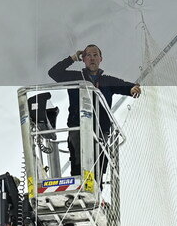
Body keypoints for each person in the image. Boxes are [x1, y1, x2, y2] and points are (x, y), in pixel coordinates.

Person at [47, 45, 141, 180]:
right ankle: (79, 190)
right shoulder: (75, 77)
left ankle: (97, 193)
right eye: (88, 55)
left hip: (101, 130)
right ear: (83, 59)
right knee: (78, 163)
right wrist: (72, 58)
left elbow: (127, 86)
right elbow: (54, 73)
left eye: (95, 55)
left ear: (101, 59)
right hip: (77, 127)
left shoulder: (108, 81)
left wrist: (133, 89)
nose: (92, 58)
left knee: (99, 165)